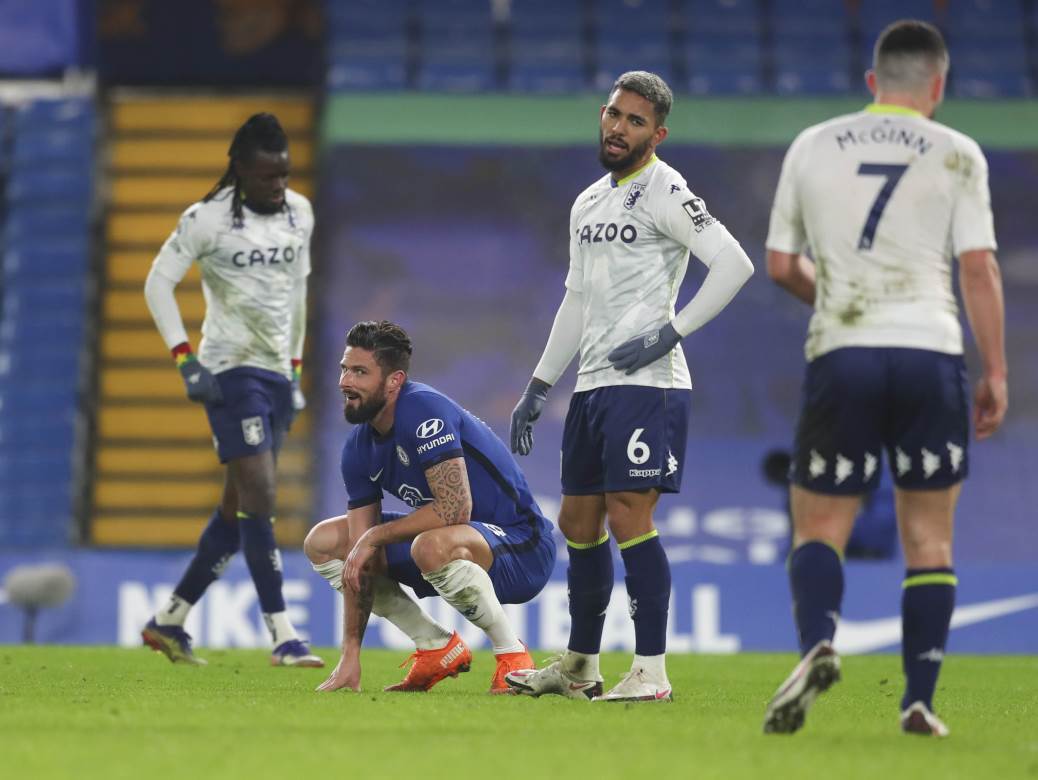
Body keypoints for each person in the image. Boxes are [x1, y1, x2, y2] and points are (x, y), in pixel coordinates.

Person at [761, 20, 1007, 737]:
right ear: (938, 85)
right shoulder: (957, 152)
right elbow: (979, 269)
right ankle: (919, 700)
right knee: (929, 538)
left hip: (845, 350)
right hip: (931, 350)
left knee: (819, 526)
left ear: (873, 81)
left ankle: (818, 645)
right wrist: (995, 370)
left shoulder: (813, 144)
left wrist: (839, 301)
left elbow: (780, 264)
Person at [504, 71, 754, 702]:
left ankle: (650, 671)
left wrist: (671, 333)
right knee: (578, 520)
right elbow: (576, 299)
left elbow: (734, 264)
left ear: (657, 134)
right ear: (602, 114)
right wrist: (540, 384)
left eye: (635, 121)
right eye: (614, 115)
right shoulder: (588, 202)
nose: (619, 128)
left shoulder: (666, 189)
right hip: (592, 385)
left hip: (648, 384)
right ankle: (580, 667)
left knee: (627, 513)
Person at [140, 112, 322, 668]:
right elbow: (157, 282)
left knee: (236, 506)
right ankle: (283, 635)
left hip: (275, 374)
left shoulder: (299, 213)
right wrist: (185, 360)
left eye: (285, 174)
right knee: (261, 495)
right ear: (240, 169)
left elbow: (296, 296)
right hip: (230, 371)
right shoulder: (206, 219)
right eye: (268, 176)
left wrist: (294, 371)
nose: (279, 185)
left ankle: (169, 619)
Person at [305, 320, 556, 693]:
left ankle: (513, 655)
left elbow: (455, 509)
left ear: (394, 381)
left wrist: (375, 536)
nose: (345, 382)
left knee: (427, 544)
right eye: (344, 369)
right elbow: (361, 557)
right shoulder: (357, 448)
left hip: (523, 548)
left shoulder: (423, 410)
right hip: (448, 546)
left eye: (359, 372)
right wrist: (350, 655)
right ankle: (434, 645)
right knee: (325, 542)